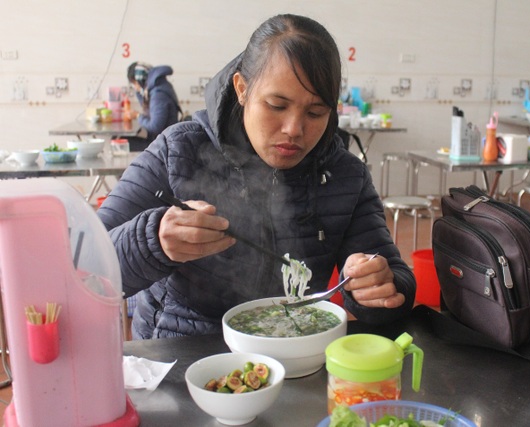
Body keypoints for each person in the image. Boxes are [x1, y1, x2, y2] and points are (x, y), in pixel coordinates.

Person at [98, 14, 416, 340]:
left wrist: (374, 287)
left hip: (295, 356)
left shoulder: (344, 174)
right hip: (184, 357)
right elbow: (86, 268)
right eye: (277, 105)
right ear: (242, 89)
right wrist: (155, 242)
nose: (294, 129)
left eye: (315, 112)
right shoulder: (179, 150)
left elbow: (395, 282)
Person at [125, 62, 181, 151]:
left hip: (163, 147)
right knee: (120, 140)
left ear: (140, 80)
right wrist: (140, 92)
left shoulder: (158, 95)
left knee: (121, 142)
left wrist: (137, 116)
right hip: (162, 141)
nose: (135, 87)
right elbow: (147, 108)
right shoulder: (159, 87)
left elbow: (155, 127)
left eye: (134, 83)